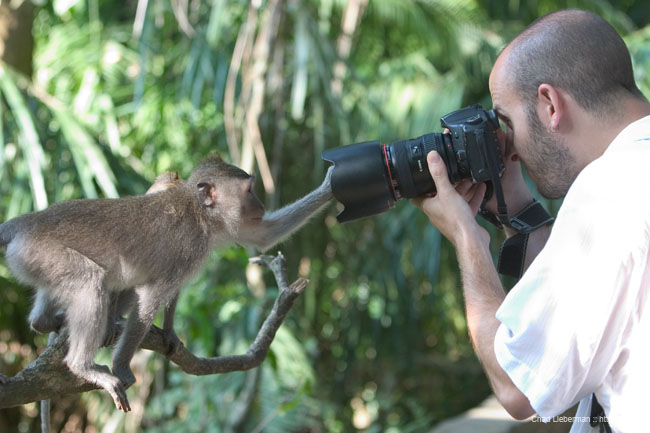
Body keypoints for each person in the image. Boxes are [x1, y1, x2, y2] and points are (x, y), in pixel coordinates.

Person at [413, 9, 650, 433]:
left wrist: (466, 236)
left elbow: (517, 386)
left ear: (550, 104)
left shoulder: (607, 192)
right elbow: (577, 334)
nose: (511, 149)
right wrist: (516, 206)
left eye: (506, 120)